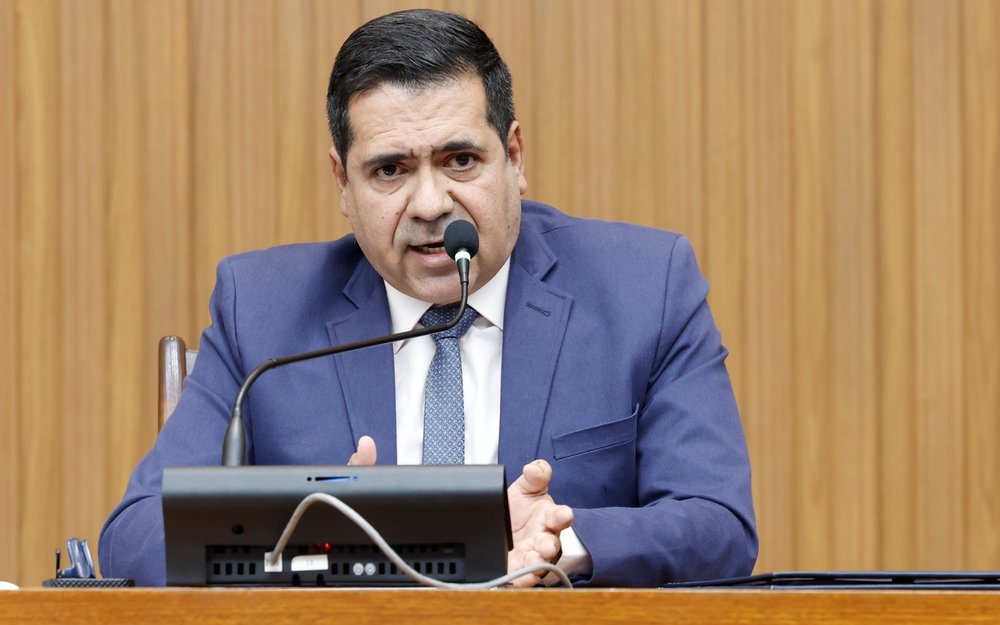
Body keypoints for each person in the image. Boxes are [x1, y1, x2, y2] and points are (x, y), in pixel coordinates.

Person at [99, 8, 757, 588]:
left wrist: (560, 541)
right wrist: (333, 546)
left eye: (460, 161)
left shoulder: (645, 287)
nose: (431, 204)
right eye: (391, 170)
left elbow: (718, 523)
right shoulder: (262, 311)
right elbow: (136, 535)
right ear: (343, 182)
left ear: (515, 157)